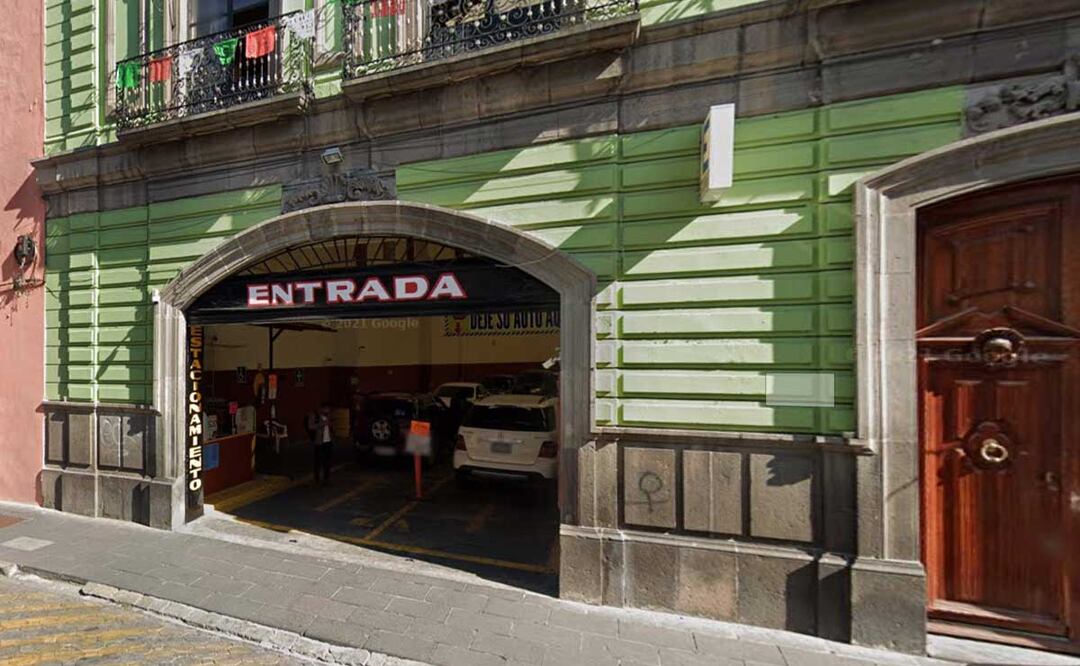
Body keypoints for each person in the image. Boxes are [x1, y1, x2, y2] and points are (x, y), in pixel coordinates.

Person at [313, 403, 333, 484]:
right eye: (326, 409)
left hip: (328, 441)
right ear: (322, 409)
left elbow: (331, 427)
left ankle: (326, 477)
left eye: (328, 409)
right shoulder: (315, 416)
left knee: (327, 460)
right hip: (319, 442)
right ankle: (317, 477)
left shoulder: (329, 417)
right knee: (318, 460)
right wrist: (322, 424)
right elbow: (311, 426)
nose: (328, 410)